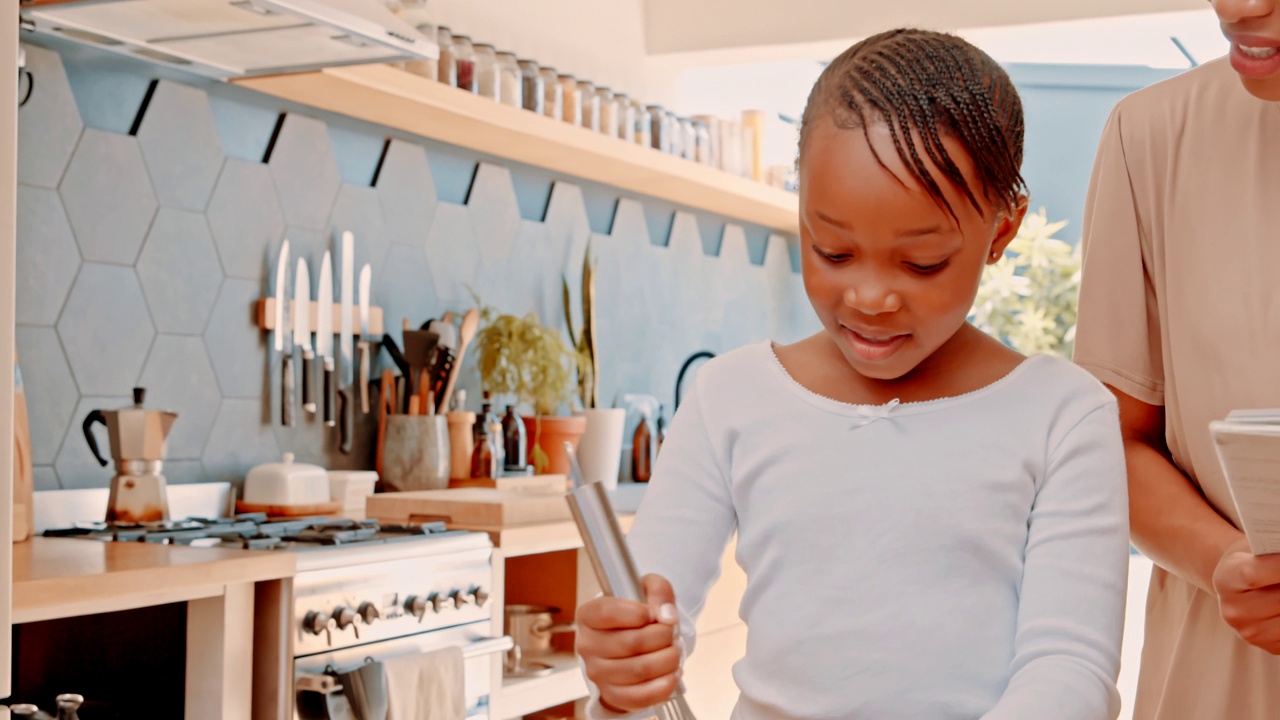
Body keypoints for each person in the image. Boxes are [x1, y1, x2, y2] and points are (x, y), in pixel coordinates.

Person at [576, 28, 1130, 720]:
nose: (870, 298)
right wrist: (621, 669)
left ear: (1002, 231)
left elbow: (1067, 670)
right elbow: (645, 615)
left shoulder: (1062, 414)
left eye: (922, 263)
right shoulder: (731, 398)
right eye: (832, 250)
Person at [1073, 1, 1280, 718]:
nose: (1241, 7)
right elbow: (1116, 442)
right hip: (1220, 682)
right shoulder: (1152, 136)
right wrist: (1223, 562)